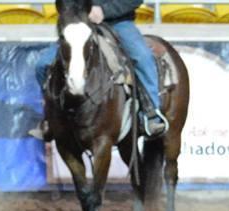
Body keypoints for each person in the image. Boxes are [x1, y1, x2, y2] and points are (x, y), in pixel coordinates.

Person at [31, 0, 168, 140]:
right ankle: (50, 117)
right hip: (80, 23)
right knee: (42, 65)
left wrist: (104, 11)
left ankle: (151, 113)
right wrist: (78, 12)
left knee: (142, 57)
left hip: (118, 23)